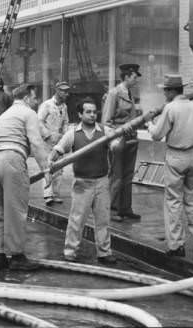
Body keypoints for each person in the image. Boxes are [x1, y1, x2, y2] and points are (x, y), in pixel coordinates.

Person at [0, 84, 50, 271]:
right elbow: (36, 143)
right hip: (11, 159)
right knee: (16, 210)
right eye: (35, 97)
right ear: (27, 98)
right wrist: (46, 169)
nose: (37, 101)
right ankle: (16, 256)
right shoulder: (28, 113)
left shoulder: (4, 115)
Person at [48, 97, 117, 265]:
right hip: (82, 184)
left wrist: (121, 137)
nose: (92, 115)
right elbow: (58, 149)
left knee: (103, 220)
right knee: (76, 221)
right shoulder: (72, 134)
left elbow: (116, 146)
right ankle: (70, 253)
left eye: (94, 112)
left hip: (101, 182)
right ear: (80, 114)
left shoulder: (105, 131)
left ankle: (104, 253)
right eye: (88, 112)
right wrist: (51, 160)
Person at [144, 74, 193, 257]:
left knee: (173, 201)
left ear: (172, 91)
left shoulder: (170, 108)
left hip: (176, 155)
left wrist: (148, 122)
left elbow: (156, 135)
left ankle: (176, 245)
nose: (164, 94)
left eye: (165, 90)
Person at [102, 63, 142, 222]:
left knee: (128, 175)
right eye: (134, 77)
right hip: (118, 140)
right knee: (117, 176)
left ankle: (126, 208)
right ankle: (113, 210)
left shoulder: (129, 93)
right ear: (126, 76)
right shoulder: (114, 93)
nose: (136, 79)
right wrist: (113, 140)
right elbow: (106, 122)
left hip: (131, 139)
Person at [38, 81, 71, 205]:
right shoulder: (46, 105)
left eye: (67, 91)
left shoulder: (64, 106)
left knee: (59, 168)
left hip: (58, 140)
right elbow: (39, 121)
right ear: (57, 91)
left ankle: (55, 194)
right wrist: (47, 135)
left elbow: (66, 122)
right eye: (63, 91)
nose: (66, 93)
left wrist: (65, 135)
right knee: (47, 167)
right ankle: (47, 194)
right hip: (47, 141)